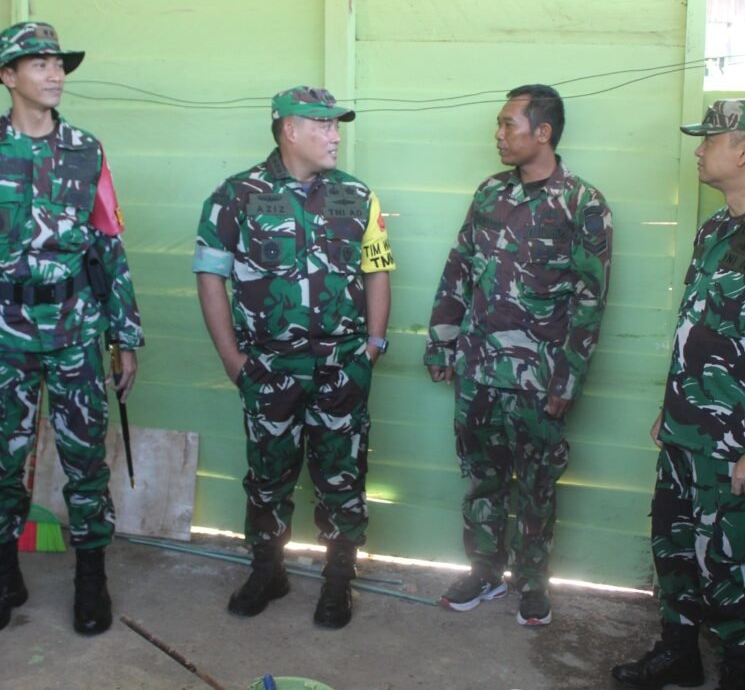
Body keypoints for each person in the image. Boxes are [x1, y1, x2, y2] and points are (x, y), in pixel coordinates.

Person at [194, 85, 395, 629]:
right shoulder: (236, 195)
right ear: (289, 129)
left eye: (337, 126)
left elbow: (376, 269)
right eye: (324, 125)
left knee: (343, 476)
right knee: (267, 478)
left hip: (341, 368)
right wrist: (233, 360)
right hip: (269, 369)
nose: (335, 136)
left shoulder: (355, 194)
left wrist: (373, 344)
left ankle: (337, 581)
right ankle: (267, 571)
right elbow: (210, 277)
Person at [424, 84, 612, 626]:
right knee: (482, 477)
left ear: (543, 132)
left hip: (540, 378)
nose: (499, 135)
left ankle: (532, 582)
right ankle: (483, 571)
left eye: (509, 125)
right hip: (479, 371)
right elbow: (459, 268)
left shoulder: (583, 204)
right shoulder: (489, 194)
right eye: (500, 125)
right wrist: (442, 340)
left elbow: (590, 299)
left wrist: (567, 381)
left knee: (535, 486)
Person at [612, 99, 745, 690]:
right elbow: (695, 326)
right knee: (673, 545)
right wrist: (668, 405)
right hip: (686, 427)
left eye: (710, 140)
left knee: (734, 563)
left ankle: (742, 673)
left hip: (738, 441)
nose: (699, 150)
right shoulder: (716, 228)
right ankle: (678, 651)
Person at [0, 21, 143, 635]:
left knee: (86, 461)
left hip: (77, 332)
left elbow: (109, 242)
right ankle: (5, 572)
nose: (55, 72)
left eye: (58, 63)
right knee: (1, 460)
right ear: (7, 76)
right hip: (4, 334)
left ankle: (91, 578)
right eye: (38, 63)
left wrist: (125, 334)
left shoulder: (88, 149)